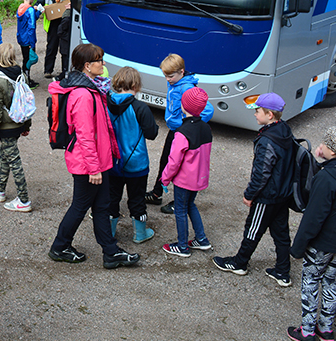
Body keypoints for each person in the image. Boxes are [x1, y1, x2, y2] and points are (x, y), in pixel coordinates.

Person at [47, 43, 141, 269]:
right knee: (80, 206)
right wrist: (94, 169)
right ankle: (59, 247)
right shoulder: (83, 95)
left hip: (98, 161)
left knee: (102, 206)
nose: (104, 63)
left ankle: (111, 252)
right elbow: (85, 135)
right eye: (100, 60)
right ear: (88, 66)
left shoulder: (92, 88)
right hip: (89, 164)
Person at [286, 126, 336, 341]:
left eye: (326, 144)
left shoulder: (327, 177)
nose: (322, 147)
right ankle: (326, 329)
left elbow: (314, 217)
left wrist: (299, 246)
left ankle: (307, 331)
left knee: (311, 281)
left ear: (334, 150)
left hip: (322, 242)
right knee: (331, 281)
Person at [212, 93, 295, 282]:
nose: (255, 114)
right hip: (283, 194)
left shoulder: (267, 141)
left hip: (267, 197)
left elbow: (261, 173)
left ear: (270, 115)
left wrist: (249, 195)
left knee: (253, 229)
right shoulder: (284, 130)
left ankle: (239, 262)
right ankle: (283, 271)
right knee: (281, 233)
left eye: (258, 111)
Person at [145, 53, 214, 215]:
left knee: (181, 167)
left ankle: (179, 201)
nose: (167, 79)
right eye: (165, 76)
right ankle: (157, 193)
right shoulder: (176, 82)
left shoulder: (187, 88)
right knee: (165, 161)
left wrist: (190, 124)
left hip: (182, 132)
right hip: (174, 130)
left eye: (170, 76)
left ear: (182, 72)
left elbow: (208, 110)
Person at [106, 66, 159, 244]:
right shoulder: (140, 108)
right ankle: (140, 233)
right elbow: (151, 133)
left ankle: (110, 231)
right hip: (136, 163)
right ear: (136, 85)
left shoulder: (106, 104)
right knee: (137, 199)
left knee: (112, 197)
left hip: (113, 162)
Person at [160, 87, 213, 258]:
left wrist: (165, 178)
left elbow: (174, 161)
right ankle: (201, 238)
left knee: (180, 210)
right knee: (191, 205)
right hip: (199, 178)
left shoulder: (182, 132)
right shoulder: (206, 128)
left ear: (184, 106)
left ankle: (182, 246)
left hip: (184, 180)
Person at [0, 44, 33, 212]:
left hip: (6, 127)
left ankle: (24, 199)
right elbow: (26, 102)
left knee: (14, 160)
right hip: (19, 123)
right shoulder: (21, 74)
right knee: (5, 155)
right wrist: (27, 125)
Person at [35, 0, 70, 79]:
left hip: (65, 23)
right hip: (52, 24)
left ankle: (65, 70)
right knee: (51, 47)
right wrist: (41, 9)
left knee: (65, 48)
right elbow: (37, 5)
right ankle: (48, 70)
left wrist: (72, 5)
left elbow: (76, 3)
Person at [16, 0, 42, 88]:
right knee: (28, 60)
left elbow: (28, 20)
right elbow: (31, 27)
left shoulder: (21, 7)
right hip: (28, 39)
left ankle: (24, 78)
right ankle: (26, 81)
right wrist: (32, 43)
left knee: (25, 58)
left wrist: (38, 12)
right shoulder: (30, 10)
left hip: (21, 38)